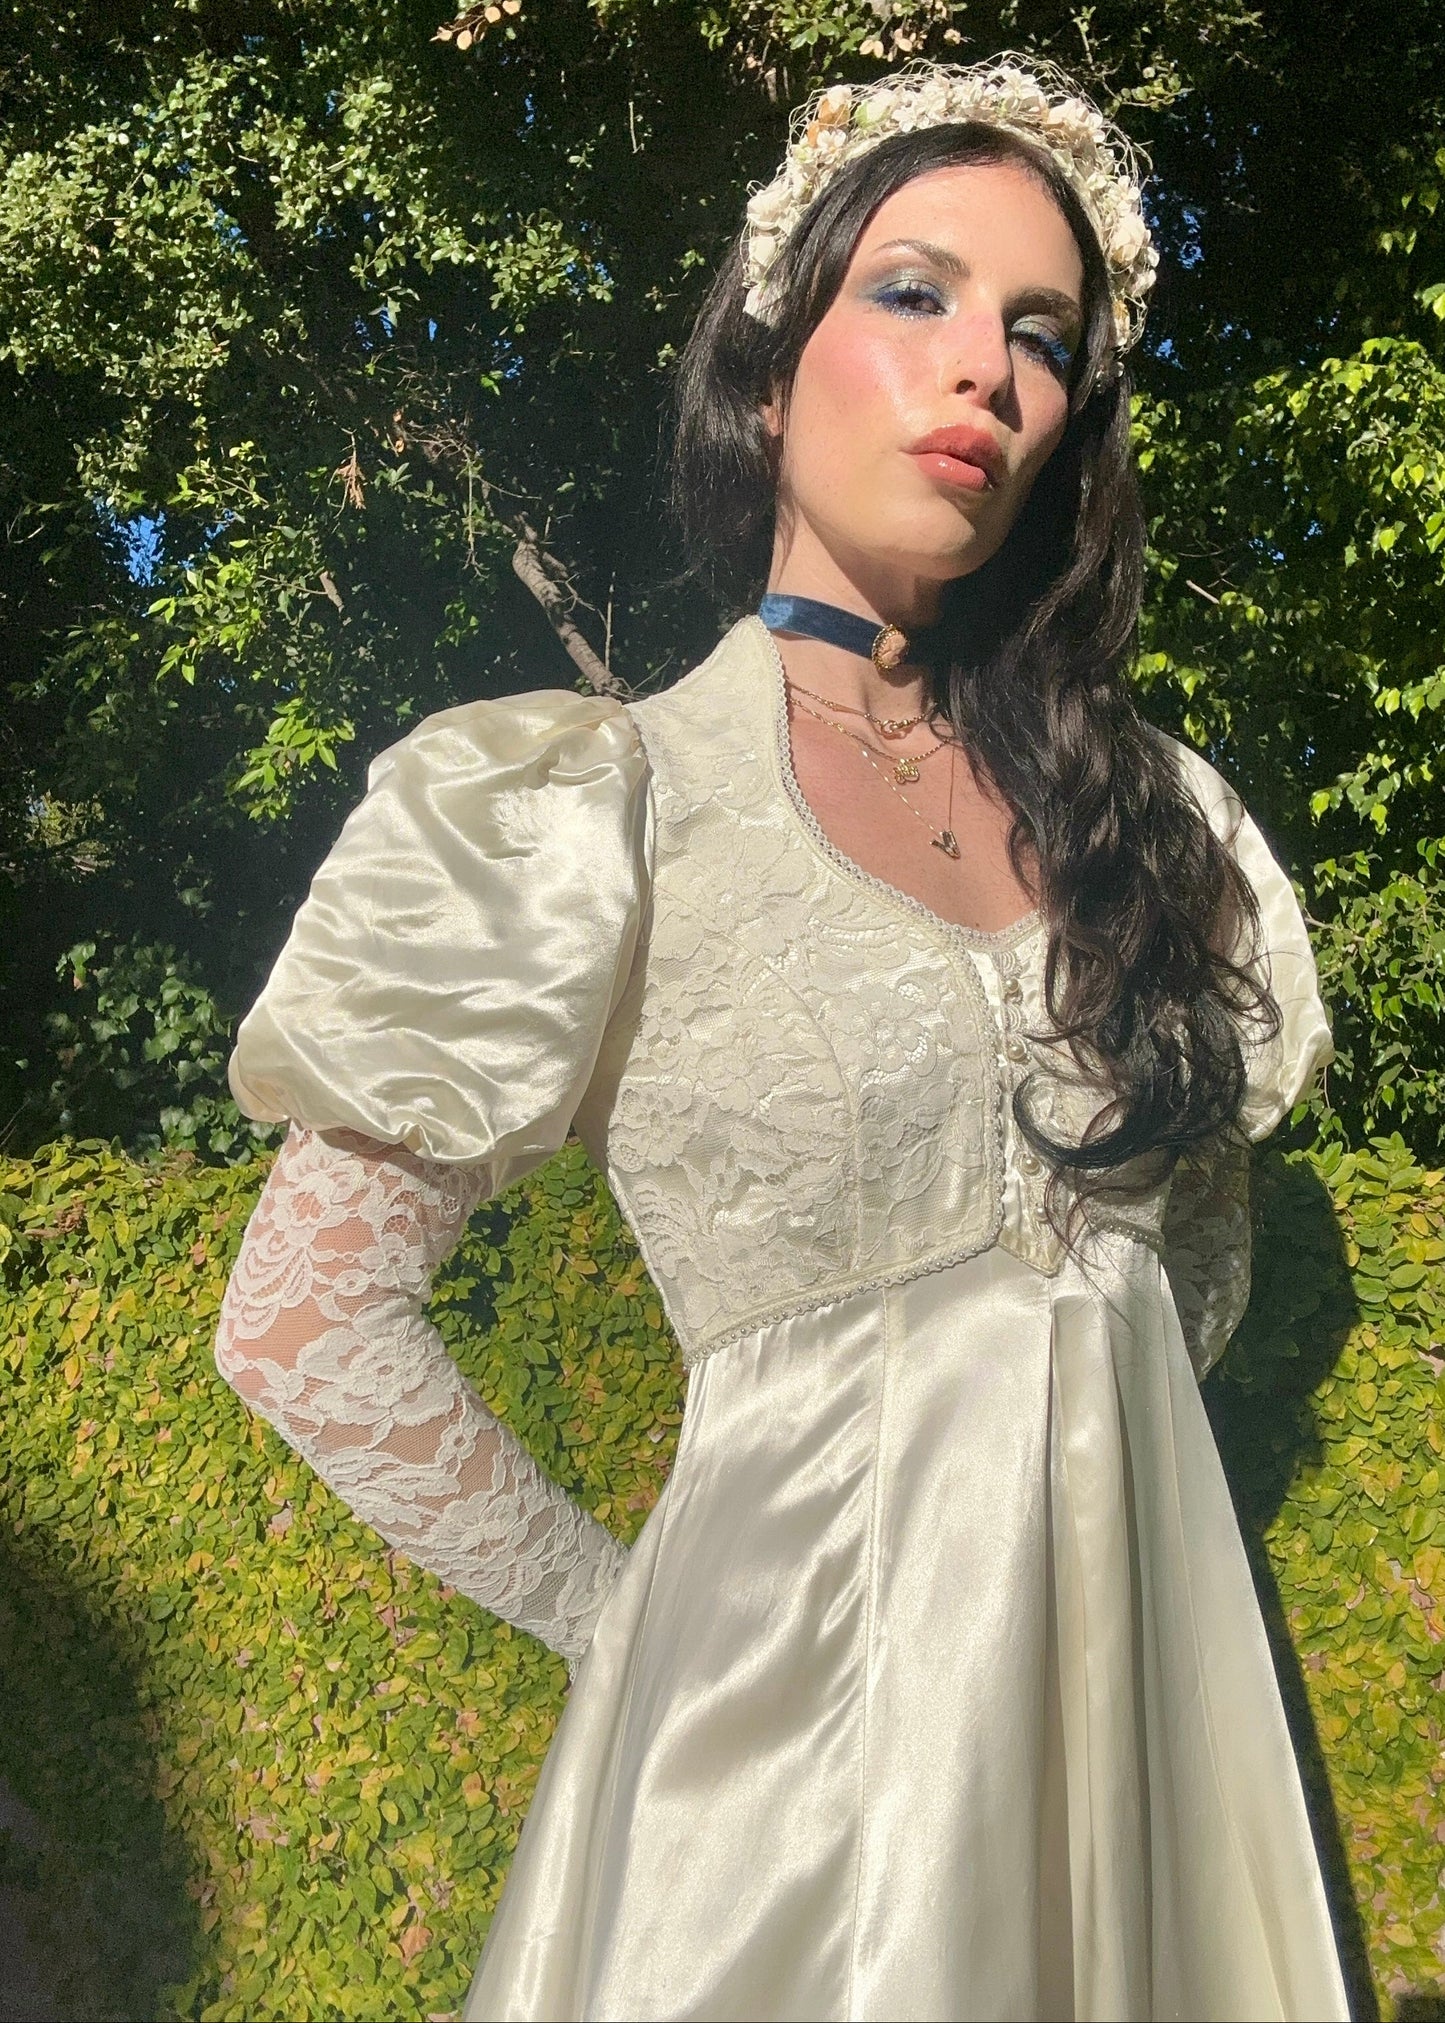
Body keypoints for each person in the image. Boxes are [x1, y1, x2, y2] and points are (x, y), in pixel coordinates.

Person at [213, 53, 1353, 2023]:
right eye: (913, 292)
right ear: (765, 368)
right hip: (773, 1790)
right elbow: (303, 1319)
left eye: (1044, 336)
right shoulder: (594, 806)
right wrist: (620, 1617)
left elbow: (1189, 1288)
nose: (986, 368)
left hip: (1141, 1752)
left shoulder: (1154, 828)